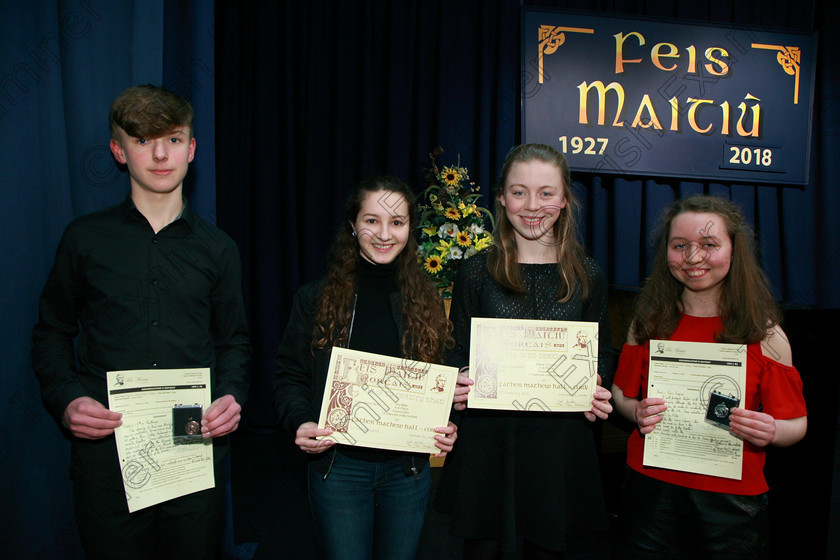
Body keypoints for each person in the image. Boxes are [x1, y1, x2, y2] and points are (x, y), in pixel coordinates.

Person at [31, 84, 250, 560]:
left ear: (191, 149)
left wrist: (232, 396)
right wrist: (66, 399)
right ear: (118, 150)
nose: (159, 154)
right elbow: (52, 332)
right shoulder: (85, 239)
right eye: (142, 140)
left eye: (173, 139)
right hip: (106, 452)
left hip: (193, 445)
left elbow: (234, 342)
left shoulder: (218, 249)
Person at [437, 143, 614, 560]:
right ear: (501, 197)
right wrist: (457, 380)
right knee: (483, 549)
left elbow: (603, 349)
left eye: (546, 193)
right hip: (488, 440)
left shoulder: (588, 273)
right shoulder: (477, 270)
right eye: (519, 192)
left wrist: (598, 380)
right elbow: (455, 348)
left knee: (548, 549)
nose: (532, 206)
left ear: (565, 198)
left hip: (559, 444)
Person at [611, 195, 807, 559]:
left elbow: (796, 423)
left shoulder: (766, 335)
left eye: (709, 245)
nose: (693, 257)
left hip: (731, 503)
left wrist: (773, 430)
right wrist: (634, 411)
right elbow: (621, 394)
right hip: (651, 492)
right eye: (680, 245)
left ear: (734, 252)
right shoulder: (646, 325)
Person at [273, 176, 458, 560]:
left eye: (397, 222)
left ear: (410, 227)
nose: (384, 234)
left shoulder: (426, 302)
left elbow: (440, 383)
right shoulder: (316, 298)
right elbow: (290, 374)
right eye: (372, 220)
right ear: (353, 225)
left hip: (406, 473)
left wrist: (448, 421)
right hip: (338, 469)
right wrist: (300, 421)